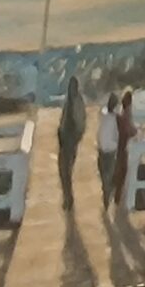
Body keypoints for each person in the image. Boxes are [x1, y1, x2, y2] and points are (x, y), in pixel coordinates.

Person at [55, 76, 86, 212]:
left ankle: (68, 199)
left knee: (66, 171)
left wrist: (76, 138)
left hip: (70, 140)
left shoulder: (77, 102)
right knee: (63, 171)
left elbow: (80, 123)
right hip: (64, 139)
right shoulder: (70, 100)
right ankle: (67, 198)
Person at [113, 92, 137, 218]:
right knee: (123, 172)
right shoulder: (126, 114)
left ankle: (116, 197)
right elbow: (130, 130)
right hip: (123, 147)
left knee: (120, 171)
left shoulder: (121, 113)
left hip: (118, 146)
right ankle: (118, 198)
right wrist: (136, 131)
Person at [95, 95, 119, 211]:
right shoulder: (115, 118)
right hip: (110, 151)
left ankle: (107, 192)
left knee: (104, 174)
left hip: (102, 150)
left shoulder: (103, 114)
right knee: (107, 174)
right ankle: (109, 191)